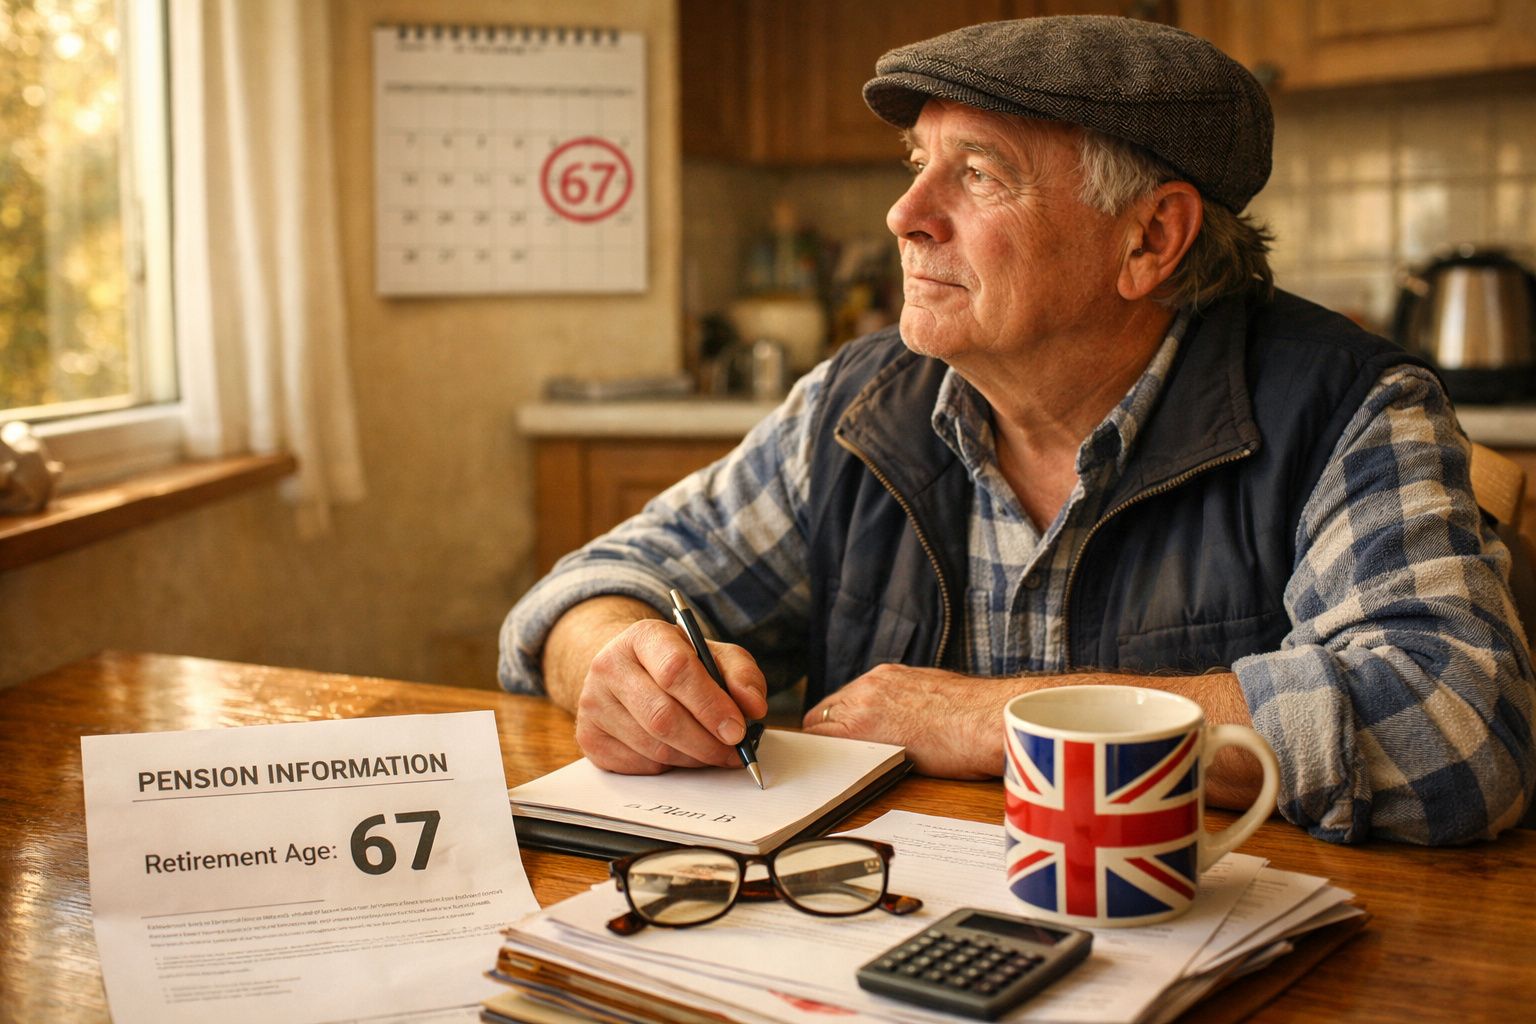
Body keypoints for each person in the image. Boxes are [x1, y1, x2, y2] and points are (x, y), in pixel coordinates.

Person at [500, 16, 1535, 845]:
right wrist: (618, 658)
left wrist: (982, 717)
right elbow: (582, 592)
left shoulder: (1346, 405)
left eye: (978, 174)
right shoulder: (859, 404)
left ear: (1150, 237)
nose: (906, 213)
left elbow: (1457, 728)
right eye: (916, 162)